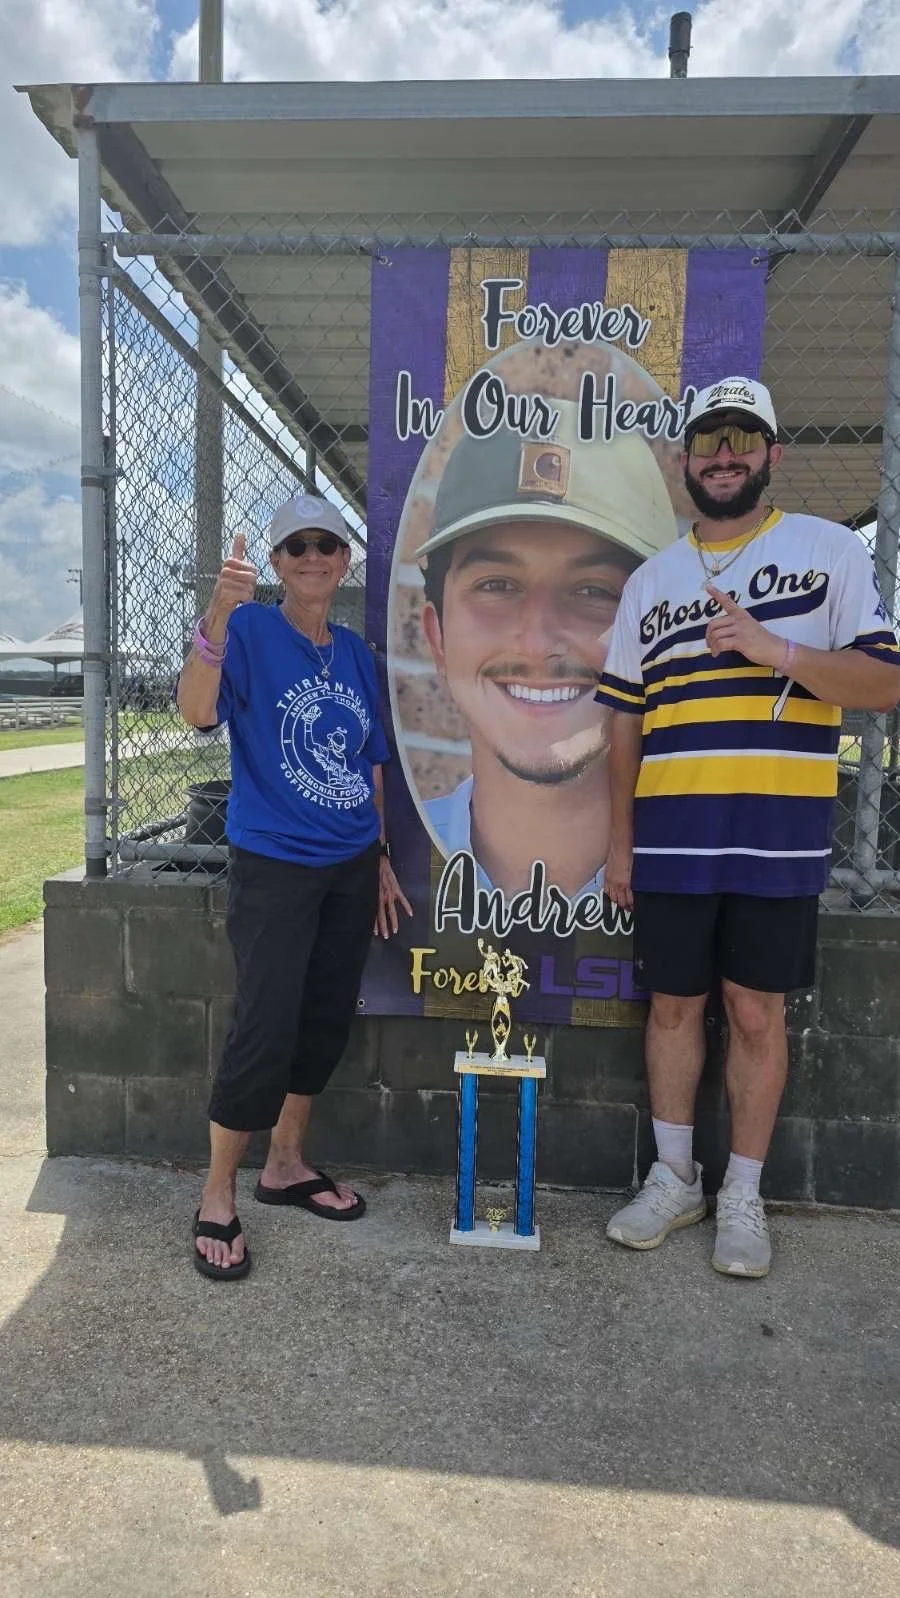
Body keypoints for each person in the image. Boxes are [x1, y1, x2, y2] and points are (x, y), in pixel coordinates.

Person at [596, 376, 900, 1277]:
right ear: (683, 460)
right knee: (674, 1006)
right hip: (672, 841)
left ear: (773, 455)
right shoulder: (652, 579)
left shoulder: (829, 552)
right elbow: (624, 722)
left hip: (776, 840)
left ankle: (744, 1195)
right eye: (708, 440)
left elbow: (885, 683)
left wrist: (780, 652)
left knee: (756, 1012)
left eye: (743, 438)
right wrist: (621, 844)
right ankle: (677, 1178)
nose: (724, 454)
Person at [177, 492, 411, 1281]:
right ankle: (218, 1195)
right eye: (295, 548)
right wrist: (215, 612)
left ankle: (285, 1165)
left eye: (327, 546)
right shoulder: (247, 631)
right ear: (275, 564)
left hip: (349, 864)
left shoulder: (351, 654)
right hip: (275, 862)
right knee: (264, 1028)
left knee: (320, 1022)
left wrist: (377, 854)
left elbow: (370, 761)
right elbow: (195, 710)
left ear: (346, 561)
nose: (313, 558)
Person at [416, 400, 678, 898]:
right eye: (497, 585)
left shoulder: (692, 861)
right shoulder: (401, 847)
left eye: (594, 591)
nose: (537, 643)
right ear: (437, 637)